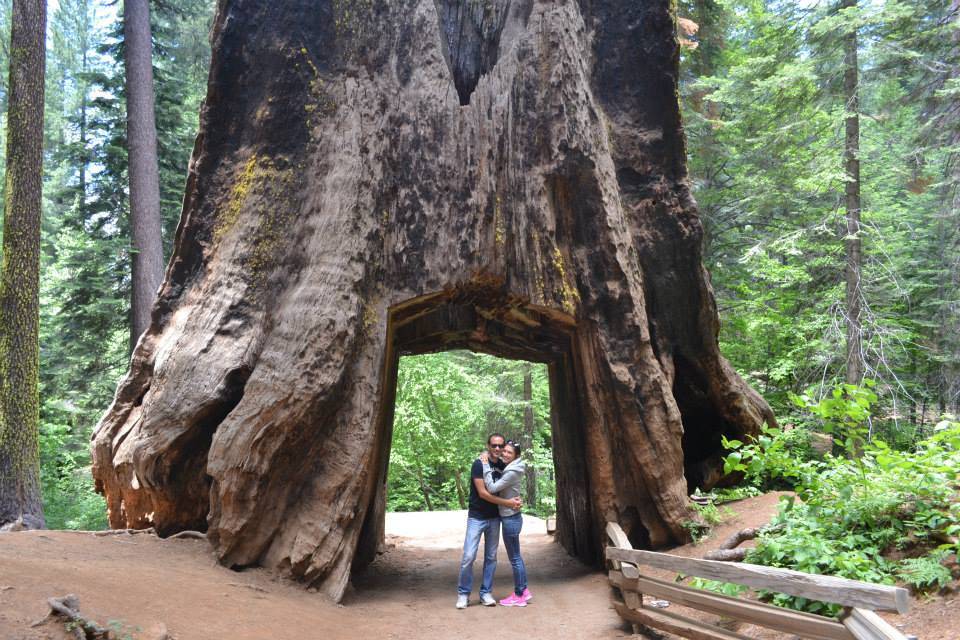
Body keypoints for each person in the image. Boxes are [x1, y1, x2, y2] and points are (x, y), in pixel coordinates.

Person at [456, 433, 521, 609]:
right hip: (477, 516)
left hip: (494, 518)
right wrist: (508, 503)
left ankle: (486, 593)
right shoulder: (479, 464)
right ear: (488, 445)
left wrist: (517, 498)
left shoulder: (503, 465)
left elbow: (511, 484)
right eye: (494, 446)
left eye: (501, 446)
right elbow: (484, 493)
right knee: (469, 556)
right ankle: (463, 594)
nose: (498, 449)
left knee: (491, 558)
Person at [480, 440, 532, 607]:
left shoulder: (511, 472)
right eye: (505, 451)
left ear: (516, 456)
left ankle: (519, 595)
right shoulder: (512, 466)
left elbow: (493, 488)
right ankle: (524, 591)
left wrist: (486, 465)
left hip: (510, 518)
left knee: (515, 558)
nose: (505, 454)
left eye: (510, 452)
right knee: (516, 556)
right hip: (512, 515)